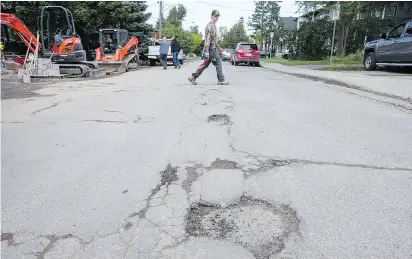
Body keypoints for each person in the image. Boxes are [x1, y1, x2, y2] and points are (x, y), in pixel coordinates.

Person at [188, 10, 228, 85]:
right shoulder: (210, 25)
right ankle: (221, 80)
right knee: (218, 63)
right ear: (212, 16)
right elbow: (208, 39)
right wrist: (206, 51)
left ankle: (193, 77)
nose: (217, 18)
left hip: (213, 48)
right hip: (211, 49)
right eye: (215, 16)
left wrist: (219, 48)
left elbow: (214, 39)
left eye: (217, 16)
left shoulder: (213, 25)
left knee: (205, 64)